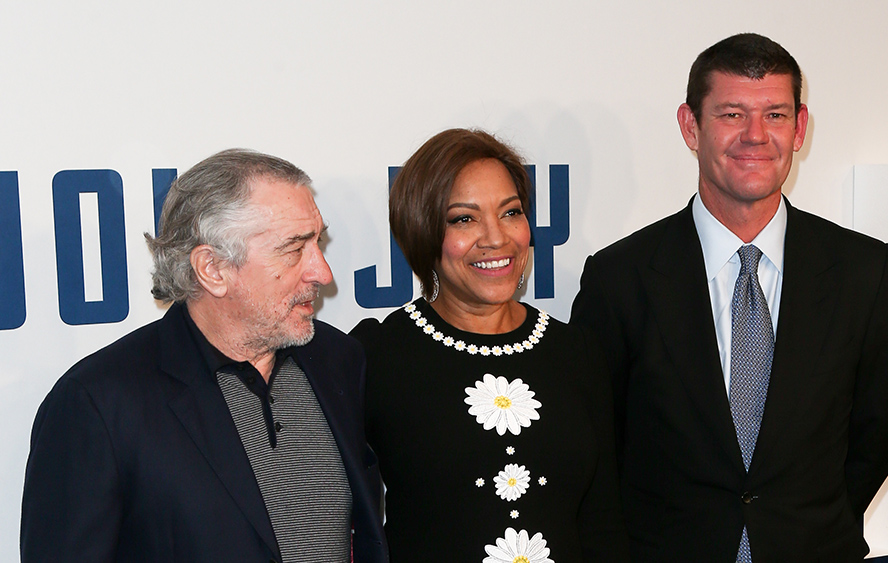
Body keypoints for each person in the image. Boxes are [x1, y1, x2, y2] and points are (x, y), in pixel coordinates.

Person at [570, 33, 888, 562]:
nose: (755, 136)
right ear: (691, 126)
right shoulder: (618, 279)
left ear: (799, 128)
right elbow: (597, 447)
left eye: (775, 115)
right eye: (732, 114)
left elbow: (876, 435)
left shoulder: (865, 272)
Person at [21, 149, 389, 563]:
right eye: (293, 249)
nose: (323, 273)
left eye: (316, 242)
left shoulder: (338, 360)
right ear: (212, 269)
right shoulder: (98, 404)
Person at [351, 128, 628, 562]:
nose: (497, 238)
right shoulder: (376, 356)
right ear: (422, 231)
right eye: (464, 219)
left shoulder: (577, 351)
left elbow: (604, 526)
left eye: (511, 212)